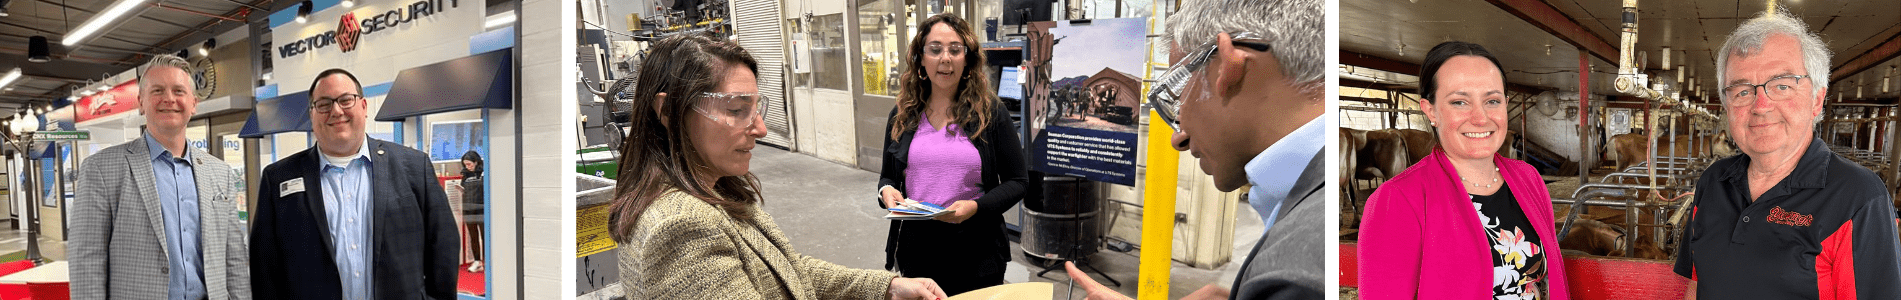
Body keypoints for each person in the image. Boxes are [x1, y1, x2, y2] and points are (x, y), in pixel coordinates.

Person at [609, 33, 947, 300]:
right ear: (668, 112)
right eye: (737, 109)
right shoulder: (680, 226)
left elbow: (786, 272)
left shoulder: (712, 189)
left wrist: (885, 288)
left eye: (755, 108)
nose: (761, 129)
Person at [1064, 0, 1326, 298]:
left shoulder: (1299, 274)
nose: (1178, 139)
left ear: (1227, 67)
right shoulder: (1308, 199)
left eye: (1180, 91)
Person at [1676, 10, 1901, 299]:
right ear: (1727, 105)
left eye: (1782, 86)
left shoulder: (1859, 197)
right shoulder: (1713, 181)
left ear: (1817, 100)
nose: (1761, 105)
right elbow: (1697, 285)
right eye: (1742, 91)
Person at [1356, 41, 1572, 300]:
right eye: (1460, 102)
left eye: (1492, 100)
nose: (1481, 118)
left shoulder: (1528, 178)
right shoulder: (1397, 200)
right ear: (1431, 110)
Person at [250, 69, 459, 299]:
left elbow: (443, 246)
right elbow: (265, 266)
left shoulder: (414, 167)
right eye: (323, 104)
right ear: (312, 114)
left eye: (346, 100)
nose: (336, 111)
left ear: (364, 106)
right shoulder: (278, 178)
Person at [70, 54, 252, 299]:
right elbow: (87, 261)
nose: (169, 99)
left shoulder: (220, 172)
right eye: (157, 90)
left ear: (194, 103)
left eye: (179, 90)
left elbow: (234, 258)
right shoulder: (101, 169)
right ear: (141, 103)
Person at [875, 13, 1028, 295]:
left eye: (955, 50)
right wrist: (886, 192)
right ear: (920, 58)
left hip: (976, 249)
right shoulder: (902, 115)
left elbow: (1018, 181)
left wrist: (976, 207)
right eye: (935, 49)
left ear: (967, 59)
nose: (945, 58)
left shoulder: (991, 113)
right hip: (917, 249)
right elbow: (887, 176)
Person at [460, 150, 485, 273]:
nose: (467, 167)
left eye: (469, 164)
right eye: (465, 164)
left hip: (481, 209)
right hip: (468, 209)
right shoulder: (465, 175)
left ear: (476, 162)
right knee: (473, 237)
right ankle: (477, 261)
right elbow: (463, 189)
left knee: (485, 236)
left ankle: (487, 262)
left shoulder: (483, 174)